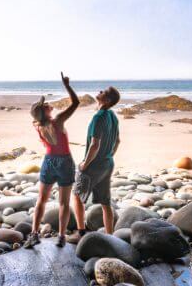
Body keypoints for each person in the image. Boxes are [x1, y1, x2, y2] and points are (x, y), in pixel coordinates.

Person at [23, 72, 79, 249]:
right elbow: (76, 103)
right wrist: (67, 85)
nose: (48, 104)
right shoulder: (58, 121)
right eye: (45, 104)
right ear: (43, 111)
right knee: (63, 202)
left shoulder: (39, 125)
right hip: (64, 162)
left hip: (49, 161)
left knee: (41, 200)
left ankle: (34, 234)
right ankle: (61, 237)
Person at [72, 85, 120, 238]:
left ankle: (80, 232)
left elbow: (94, 145)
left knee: (77, 196)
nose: (99, 92)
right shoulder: (113, 116)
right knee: (106, 203)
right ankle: (110, 236)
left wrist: (85, 164)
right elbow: (117, 141)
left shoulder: (98, 117)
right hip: (108, 164)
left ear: (107, 100)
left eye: (103, 92)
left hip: (94, 166)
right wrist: (108, 155)